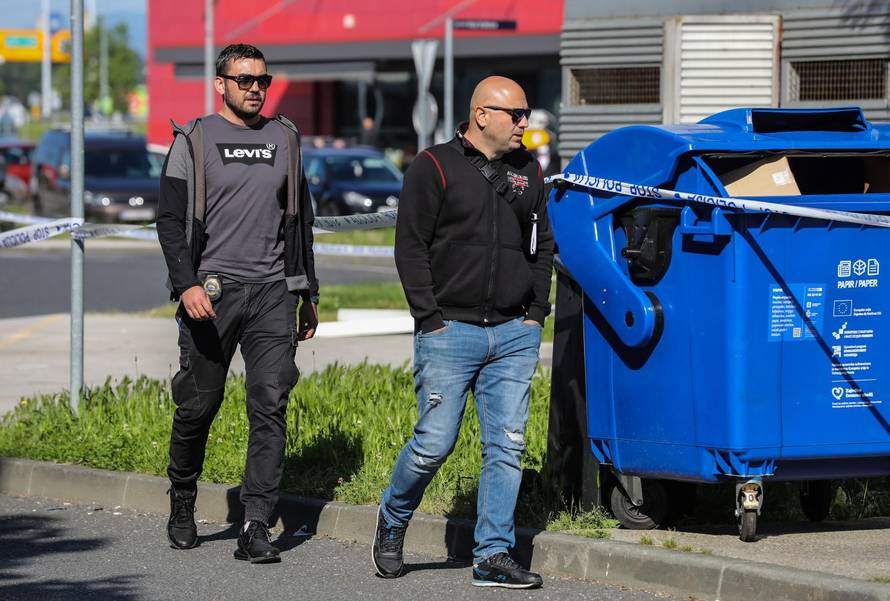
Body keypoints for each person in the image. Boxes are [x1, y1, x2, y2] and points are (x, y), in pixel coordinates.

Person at [372, 76, 554, 588]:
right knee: (434, 443)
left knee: (507, 445)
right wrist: (430, 317)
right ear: (481, 115)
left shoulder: (529, 172)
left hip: (514, 333)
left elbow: (541, 249)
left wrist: (536, 313)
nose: (525, 122)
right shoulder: (432, 167)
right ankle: (393, 519)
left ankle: (492, 554)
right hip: (450, 331)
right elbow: (410, 248)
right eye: (515, 114)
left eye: (527, 113)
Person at [156, 43, 319, 564]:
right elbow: (168, 221)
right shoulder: (194, 138)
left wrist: (307, 292)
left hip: (273, 291)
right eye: (244, 79)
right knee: (198, 403)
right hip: (212, 292)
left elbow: (302, 223)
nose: (255, 87)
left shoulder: (286, 139)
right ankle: (182, 497)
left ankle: (255, 524)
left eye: (262, 80)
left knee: (270, 401)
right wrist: (186, 285)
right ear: (219, 83)